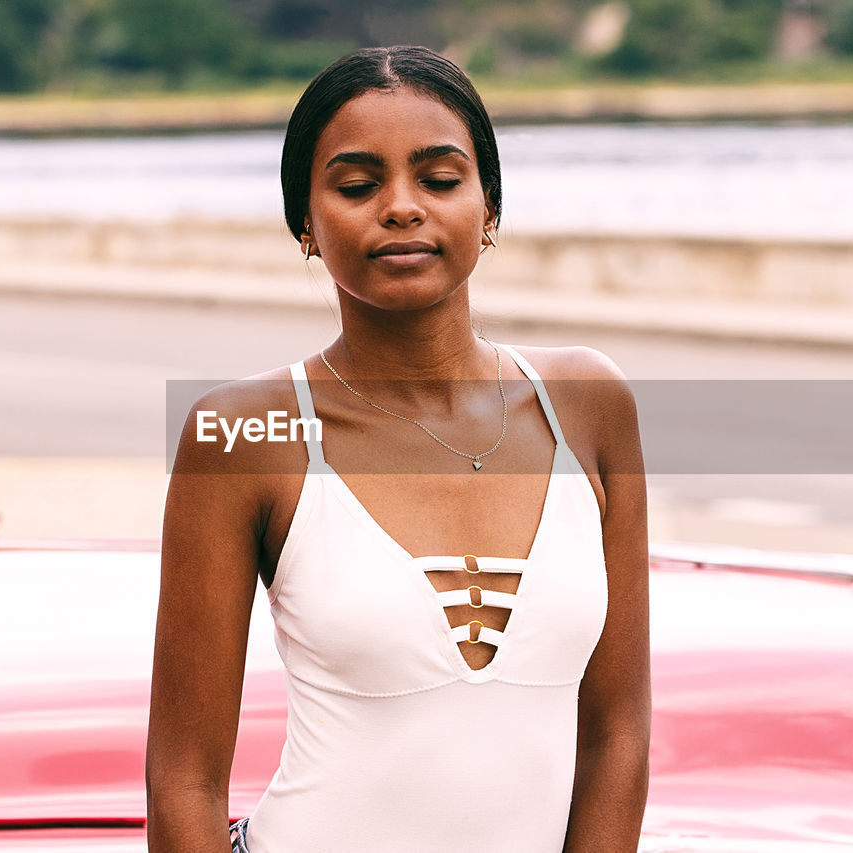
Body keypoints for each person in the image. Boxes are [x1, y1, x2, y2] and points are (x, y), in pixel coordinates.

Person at [146, 46, 650, 852]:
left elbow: (617, 732)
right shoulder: (242, 434)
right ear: (305, 222)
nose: (402, 207)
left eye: (441, 179)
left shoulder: (588, 407)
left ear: (489, 209)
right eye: (356, 185)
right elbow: (184, 780)